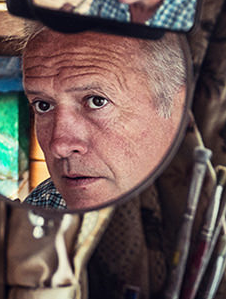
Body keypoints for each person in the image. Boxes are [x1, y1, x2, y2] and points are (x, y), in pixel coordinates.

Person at [20, 25, 187, 210]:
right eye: (43, 105)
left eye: (97, 101)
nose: (59, 146)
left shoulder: (217, 218)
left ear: (179, 108)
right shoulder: (43, 204)